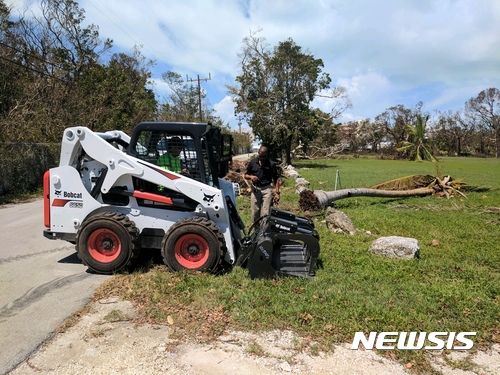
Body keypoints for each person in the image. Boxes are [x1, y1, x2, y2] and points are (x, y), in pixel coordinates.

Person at [244, 146, 281, 225]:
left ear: (266, 155)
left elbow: (276, 179)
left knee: (266, 213)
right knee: (255, 212)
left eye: (263, 156)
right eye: (260, 156)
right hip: (255, 189)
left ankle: (264, 232)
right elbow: (245, 175)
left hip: (267, 189)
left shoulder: (271, 164)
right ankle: (256, 231)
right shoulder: (253, 163)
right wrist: (251, 177)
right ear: (258, 153)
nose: (261, 158)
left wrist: (277, 193)